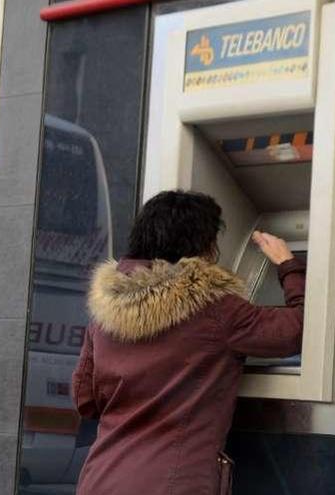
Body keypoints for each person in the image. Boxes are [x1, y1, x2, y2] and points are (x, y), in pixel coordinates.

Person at [72, 190, 305, 495]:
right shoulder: (217, 308)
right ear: (202, 248)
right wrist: (288, 264)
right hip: (173, 483)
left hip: (102, 478)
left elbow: (85, 399)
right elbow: (298, 330)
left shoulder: (104, 311)